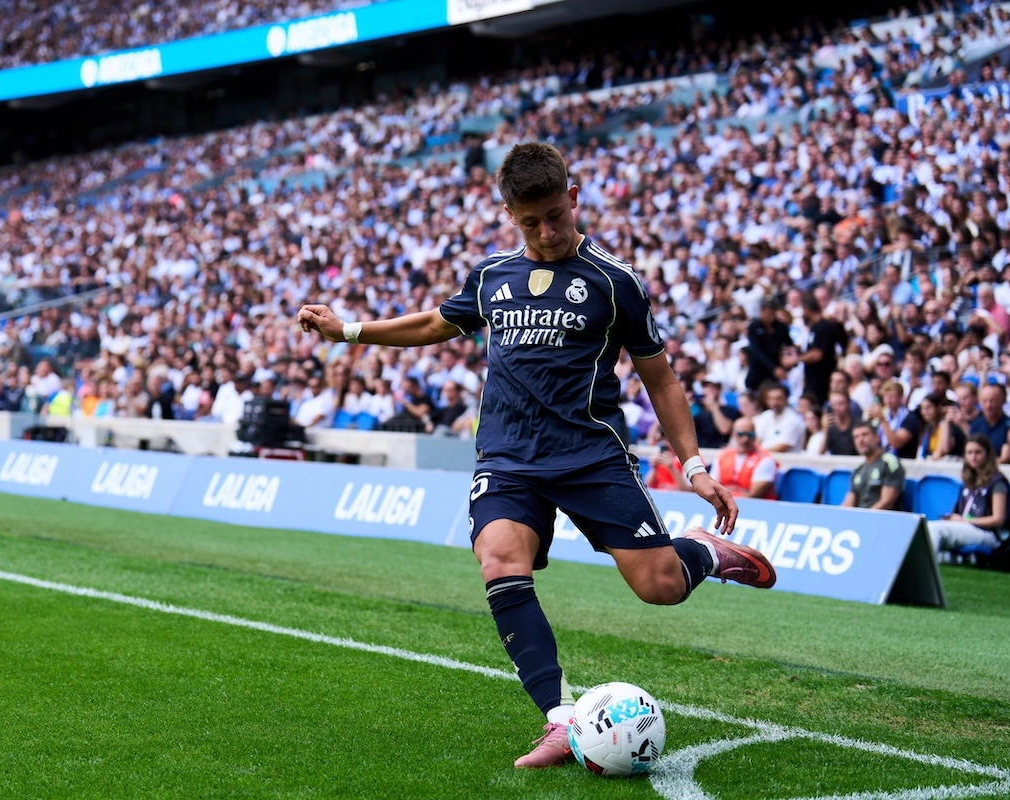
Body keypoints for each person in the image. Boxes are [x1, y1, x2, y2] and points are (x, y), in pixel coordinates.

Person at [297, 142, 774, 770]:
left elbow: (660, 378)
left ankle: (705, 552)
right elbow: (435, 324)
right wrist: (349, 331)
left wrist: (695, 468)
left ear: (573, 199)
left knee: (659, 587)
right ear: (509, 215)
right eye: (531, 222)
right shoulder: (493, 276)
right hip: (508, 456)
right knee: (499, 558)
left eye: (556, 215)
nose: (547, 232)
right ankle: (559, 719)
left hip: (589, 456)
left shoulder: (615, 282)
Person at [926, 434, 1010, 556]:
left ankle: (924, 571)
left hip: (988, 533)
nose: (973, 457)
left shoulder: (998, 482)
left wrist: (965, 521)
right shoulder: (969, 480)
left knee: (936, 530)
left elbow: (998, 519)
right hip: (966, 527)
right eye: (969, 453)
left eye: (978, 452)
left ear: (987, 454)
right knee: (928, 526)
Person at [840, 423, 905, 510]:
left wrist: (865, 518)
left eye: (865, 435)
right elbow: (848, 503)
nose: (860, 440)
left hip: (882, 520)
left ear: (877, 437)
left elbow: (887, 502)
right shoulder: (858, 469)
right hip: (861, 519)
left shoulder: (889, 463)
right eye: (856, 437)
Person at [710, 418, 778, 499]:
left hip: (755, 507)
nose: (745, 439)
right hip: (726, 504)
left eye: (750, 435)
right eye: (741, 434)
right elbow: (712, 487)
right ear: (733, 435)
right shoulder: (722, 456)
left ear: (755, 436)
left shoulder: (765, 459)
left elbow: (754, 494)